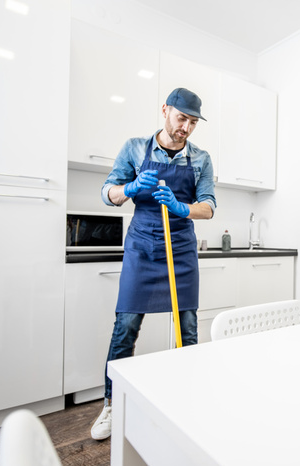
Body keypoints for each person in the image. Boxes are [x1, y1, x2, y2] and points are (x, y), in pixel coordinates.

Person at [90, 88, 216, 440]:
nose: (186, 128)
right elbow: (107, 193)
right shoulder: (134, 148)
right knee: (125, 327)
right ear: (165, 111)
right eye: (181, 119)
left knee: (187, 330)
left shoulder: (201, 158)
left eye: (193, 122)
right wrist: (129, 188)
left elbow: (208, 206)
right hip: (142, 248)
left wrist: (182, 208)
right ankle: (113, 405)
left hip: (180, 250)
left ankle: (186, 400)